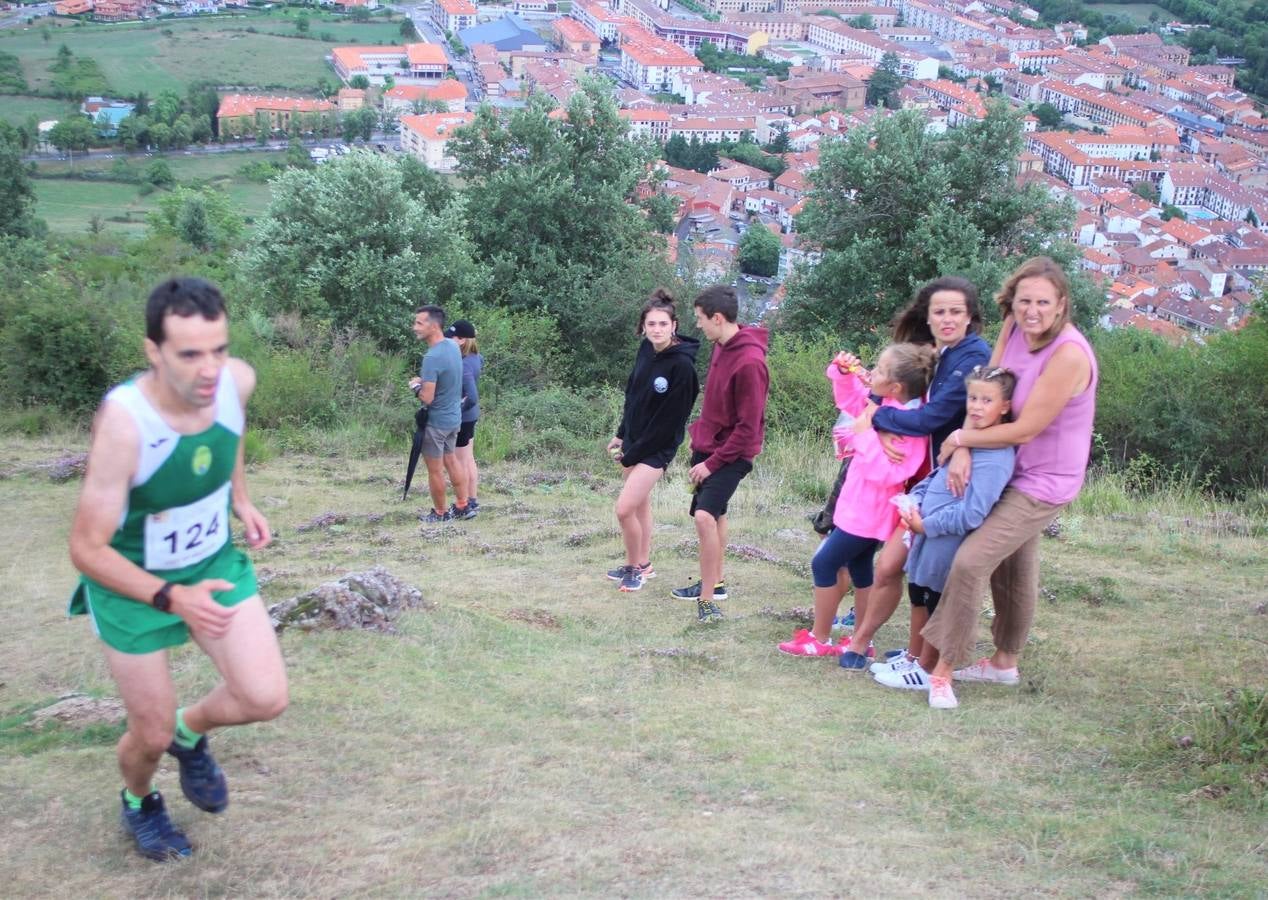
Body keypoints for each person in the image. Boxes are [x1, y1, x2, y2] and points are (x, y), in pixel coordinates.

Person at [67, 277, 288, 861]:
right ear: (154, 352)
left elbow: (229, 435)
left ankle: (193, 733)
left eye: (218, 348)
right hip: (133, 585)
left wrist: (240, 498)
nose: (209, 368)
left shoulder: (235, 382)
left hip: (213, 563)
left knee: (265, 697)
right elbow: (87, 549)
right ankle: (140, 800)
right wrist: (170, 596)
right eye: (190, 354)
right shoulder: (125, 423)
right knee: (149, 733)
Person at [922, 256, 1098, 710]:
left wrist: (962, 437)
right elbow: (985, 390)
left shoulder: (1069, 355)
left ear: (1061, 305)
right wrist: (964, 447)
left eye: (1043, 302)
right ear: (1012, 302)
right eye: (1024, 301)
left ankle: (943, 668)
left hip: (1044, 479)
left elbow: (1025, 429)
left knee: (971, 561)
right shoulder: (1013, 328)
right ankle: (1004, 663)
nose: (1031, 311)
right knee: (1014, 565)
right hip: (1004, 464)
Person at [836, 277, 991, 667]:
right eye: (939, 311)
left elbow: (932, 417)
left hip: (948, 481)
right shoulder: (942, 352)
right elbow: (892, 382)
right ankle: (904, 651)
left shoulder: (972, 357)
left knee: (909, 570)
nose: (947, 318)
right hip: (923, 476)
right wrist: (877, 409)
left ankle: (895, 653)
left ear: (971, 315)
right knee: (909, 570)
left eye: (956, 311)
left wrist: (879, 419)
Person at [776, 343, 938, 662]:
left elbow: (889, 471)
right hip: (856, 505)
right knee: (860, 568)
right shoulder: (885, 402)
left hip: (870, 512)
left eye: (878, 370)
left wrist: (864, 434)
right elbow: (852, 402)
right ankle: (861, 635)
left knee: (823, 563)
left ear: (896, 386)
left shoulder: (910, 425)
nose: (871, 372)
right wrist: (841, 372)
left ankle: (820, 637)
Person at [872, 366, 1017, 691]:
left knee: (936, 601)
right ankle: (914, 658)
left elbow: (973, 512)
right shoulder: (964, 441)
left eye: (987, 400)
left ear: (1005, 407)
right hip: (925, 534)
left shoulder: (997, 456)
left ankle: (926, 669)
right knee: (919, 592)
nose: (977, 407)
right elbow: (937, 476)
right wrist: (915, 500)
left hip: (945, 540)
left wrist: (928, 524)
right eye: (973, 398)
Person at [670, 285, 769, 623]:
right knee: (717, 514)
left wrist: (711, 465)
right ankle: (716, 581)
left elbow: (747, 428)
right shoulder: (720, 345)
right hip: (708, 444)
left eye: (700, 319)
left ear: (717, 318)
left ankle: (708, 600)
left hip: (733, 454)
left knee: (704, 516)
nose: (698, 325)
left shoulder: (751, 362)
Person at [606, 290, 700, 592]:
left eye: (662, 324)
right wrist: (622, 434)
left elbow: (670, 422)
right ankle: (644, 564)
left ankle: (633, 569)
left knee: (624, 509)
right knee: (640, 506)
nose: (656, 330)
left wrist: (633, 453)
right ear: (643, 327)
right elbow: (633, 396)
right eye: (651, 324)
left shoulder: (682, 367)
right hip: (633, 442)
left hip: (656, 449)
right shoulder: (646, 350)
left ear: (674, 325)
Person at [409, 305, 472, 523]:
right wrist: (425, 380)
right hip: (454, 420)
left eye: (419, 323)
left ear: (433, 325)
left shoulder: (432, 357)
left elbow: (427, 397)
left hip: (436, 423)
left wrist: (415, 386)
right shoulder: (452, 346)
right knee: (452, 461)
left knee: (435, 470)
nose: (414, 327)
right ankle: (463, 506)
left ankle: (440, 513)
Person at [445, 319, 483, 513]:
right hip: (471, 416)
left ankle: (464, 504)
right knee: (468, 458)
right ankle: (472, 499)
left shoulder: (464, 364)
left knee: (460, 461)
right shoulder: (476, 357)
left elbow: (473, 396)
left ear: (461, 340)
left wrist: (456, 411)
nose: (447, 341)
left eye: (451, 338)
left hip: (464, 417)